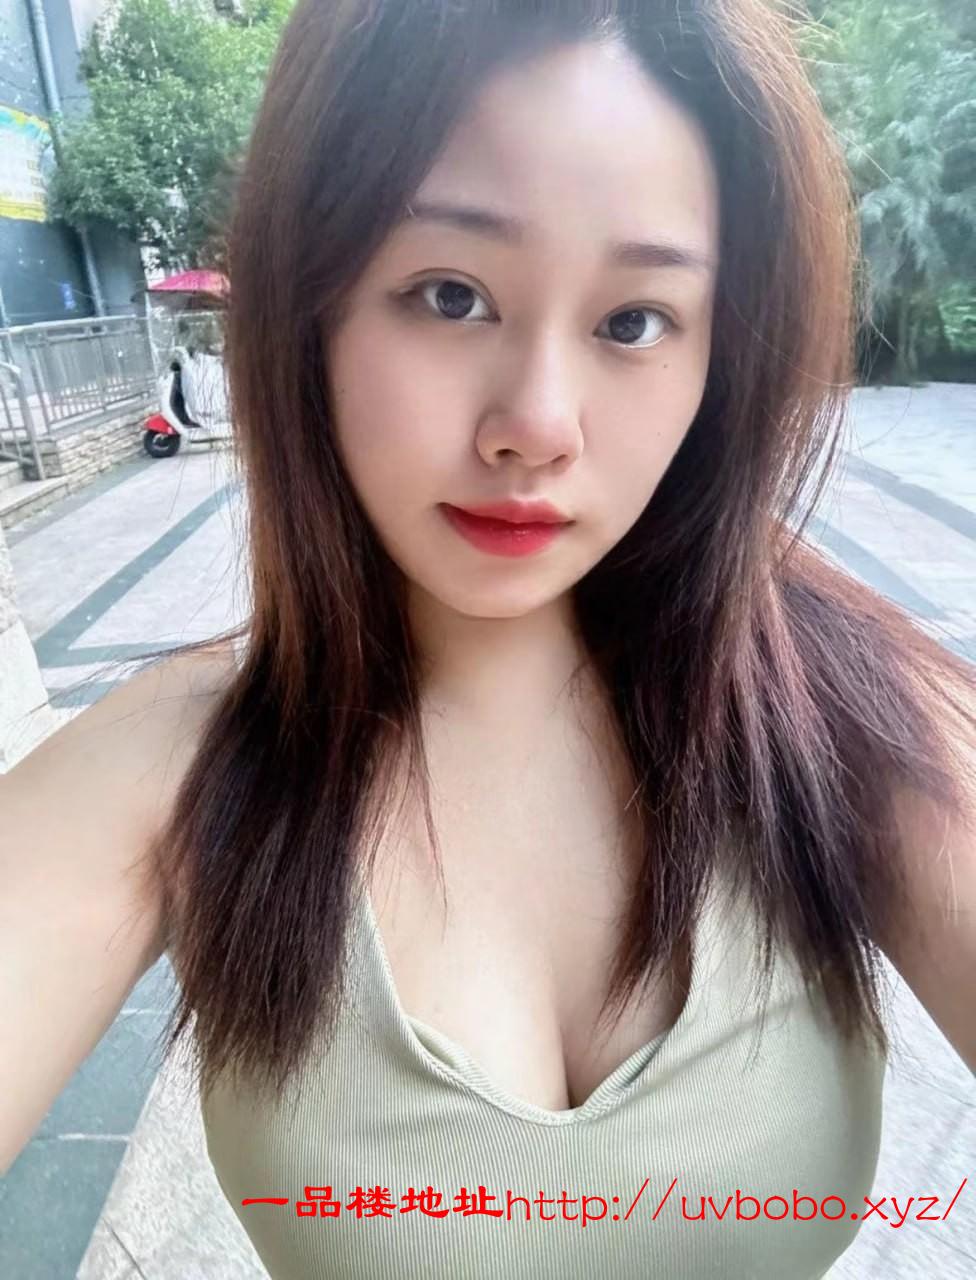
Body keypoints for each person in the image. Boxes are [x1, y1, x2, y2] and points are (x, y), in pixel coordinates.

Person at [2, 1, 974, 1277]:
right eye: (450, 295)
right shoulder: (178, 769)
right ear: (310, 304)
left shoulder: (853, 715)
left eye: (633, 321)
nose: (537, 424)